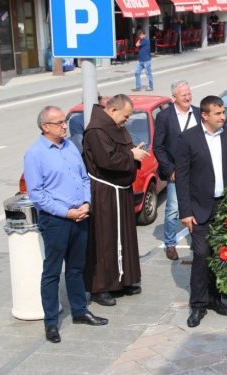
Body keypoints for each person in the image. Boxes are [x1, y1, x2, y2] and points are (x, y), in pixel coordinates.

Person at [24, 106, 108, 344]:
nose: (65, 125)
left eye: (64, 121)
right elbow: (37, 194)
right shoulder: (35, 154)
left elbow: (83, 177)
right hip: (56, 221)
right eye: (59, 122)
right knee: (52, 272)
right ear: (45, 127)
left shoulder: (70, 146)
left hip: (80, 215)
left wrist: (86, 204)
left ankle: (80, 311)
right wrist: (66, 212)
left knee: (76, 268)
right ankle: (51, 323)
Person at [175, 96, 227, 328]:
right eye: (218, 113)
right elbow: (182, 178)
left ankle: (216, 299)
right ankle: (198, 305)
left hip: (225, 207)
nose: (223, 117)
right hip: (198, 208)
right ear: (204, 115)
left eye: (223, 112)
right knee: (202, 254)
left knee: (221, 254)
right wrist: (185, 212)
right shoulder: (187, 138)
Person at [82, 94, 149, 306]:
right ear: (112, 111)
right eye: (125, 116)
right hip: (105, 192)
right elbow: (106, 160)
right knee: (105, 239)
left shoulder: (115, 126)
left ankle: (123, 280)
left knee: (124, 236)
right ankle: (100, 287)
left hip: (121, 190)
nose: (127, 120)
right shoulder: (96, 130)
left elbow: (121, 150)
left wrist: (133, 152)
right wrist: (132, 156)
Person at [153, 80, 201, 261]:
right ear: (174, 97)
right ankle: (170, 244)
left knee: (197, 206)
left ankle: (196, 239)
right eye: (184, 95)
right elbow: (158, 147)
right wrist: (170, 170)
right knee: (173, 209)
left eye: (189, 93)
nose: (188, 97)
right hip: (176, 171)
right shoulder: (164, 117)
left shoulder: (197, 113)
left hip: (197, 171)